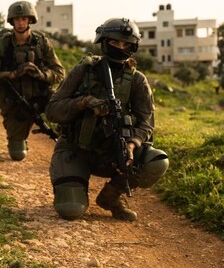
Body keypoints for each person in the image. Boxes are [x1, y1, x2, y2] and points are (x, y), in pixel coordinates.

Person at [45, 18, 169, 222]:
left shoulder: (137, 80)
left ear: (133, 47)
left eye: (126, 44)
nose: (120, 48)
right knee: (70, 209)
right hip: (75, 150)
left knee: (157, 161)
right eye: (115, 43)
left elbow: (147, 122)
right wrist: (85, 102)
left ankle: (111, 198)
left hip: (112, 154)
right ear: (103, 42)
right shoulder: (84, 70)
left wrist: (132, 144)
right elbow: (52, 110)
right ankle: (75, 189)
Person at [0, 1, 65, 161]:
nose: (20, 23)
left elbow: (59, 73)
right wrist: (11, 74)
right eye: (17, 19)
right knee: (18, 155)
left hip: (42, 97)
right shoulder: (2, 45)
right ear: (12, 21)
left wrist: (41, 74)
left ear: (30, 20)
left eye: (24, 19)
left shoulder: (41, 42)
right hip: (14, 102)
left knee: (67, 113)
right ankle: (20, 137)